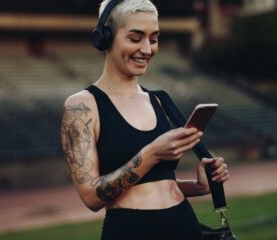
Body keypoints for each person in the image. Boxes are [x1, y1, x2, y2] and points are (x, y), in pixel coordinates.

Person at [60, 0, 229, 239]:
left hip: (184, 225)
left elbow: (156, 183)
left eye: (154, 38)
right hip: (132, 230)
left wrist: (199, 186)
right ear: (105, 38)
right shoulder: (81, 106)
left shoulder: (160, 100)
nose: (147, 49)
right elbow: (91, 197)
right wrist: (152, 153)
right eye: (135, 38)